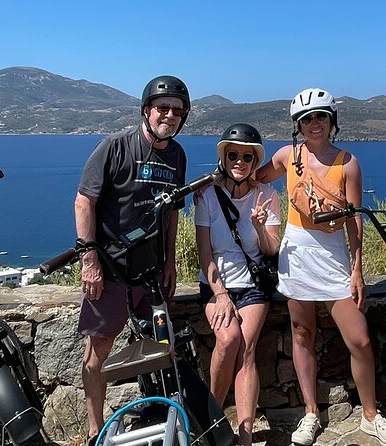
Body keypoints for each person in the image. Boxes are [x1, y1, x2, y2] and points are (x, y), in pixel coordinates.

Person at [256, 88, 386, 446]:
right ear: (298, 125)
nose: (314, 124)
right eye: (307, 119)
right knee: (302, 333)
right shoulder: (286, 156)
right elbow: (252, 178)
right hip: (296, 256)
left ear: (331, 120)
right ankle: (310, 413)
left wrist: (357, 269)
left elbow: (355, 221)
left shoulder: (348, 162)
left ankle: (370, 415)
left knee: (361, 339)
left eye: (321, 116)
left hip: (334, 259)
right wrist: (217, 188)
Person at [75, 75, 190, 443]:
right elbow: (84, 201)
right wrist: (89, 261)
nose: (169, 115)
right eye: (163, 108)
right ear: (146, 110)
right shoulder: (115, 147)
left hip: (152, 276)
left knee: (160, 351)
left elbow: (171, 214)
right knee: (98, 352)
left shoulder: (177, 155)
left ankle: (155, 418)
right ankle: (95, 428)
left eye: (177, 111)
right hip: (110, 274)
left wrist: (170, 262)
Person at [194, 123, 280, 446]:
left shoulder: (267, 196)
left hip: (253, 284)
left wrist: (259, 227)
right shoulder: (207, 196)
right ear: (224, 157)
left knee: (245, 349)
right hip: (217, 284)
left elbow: (271, 248)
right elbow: (204, 253)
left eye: (247, 156)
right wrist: (220, 295)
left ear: (255, 161)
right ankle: (210, 419)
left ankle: (244, 436)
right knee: (227, 339)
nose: (240, 162)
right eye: (233, 155)